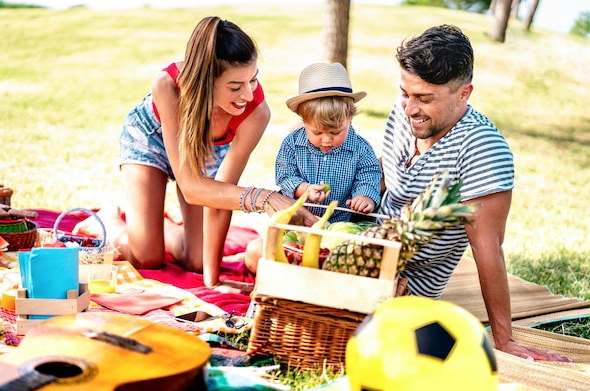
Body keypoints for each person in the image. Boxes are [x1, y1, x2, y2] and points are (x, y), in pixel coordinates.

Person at [72, 16, 316, 288]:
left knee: (198, 261)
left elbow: (223, 193)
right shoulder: (168, 86)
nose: (247, 95)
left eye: (253, 81)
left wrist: (213, 282)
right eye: (235, 87)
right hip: (150, 138)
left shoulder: (256, 113)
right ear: (205, 80)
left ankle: (155, 226)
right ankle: (108, 219)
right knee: (146, 257)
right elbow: (192, 188)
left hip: (205, 151)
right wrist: (263, 198)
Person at [378, 24, 571, 362]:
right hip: (365, 246)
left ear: (463, 94)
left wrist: (505, 340)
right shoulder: (405, 111)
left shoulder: (481, 148)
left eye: (424, 98)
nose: (410, 108)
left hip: (408, 286)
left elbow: (487, 248)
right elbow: (386, 173)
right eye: (405, 93)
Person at [244, 62, 382, 273]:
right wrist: (304, 189)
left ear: (350, 119)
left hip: (340, 228)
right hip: (299, 225)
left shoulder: (360, 149)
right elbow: (285, 175)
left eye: (336, 132)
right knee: (262, 254)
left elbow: (369, 173)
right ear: (304, 120)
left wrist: (365, 196)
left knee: (358, 256)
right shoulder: (293, 144)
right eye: (317, 132)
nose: (326, 140)